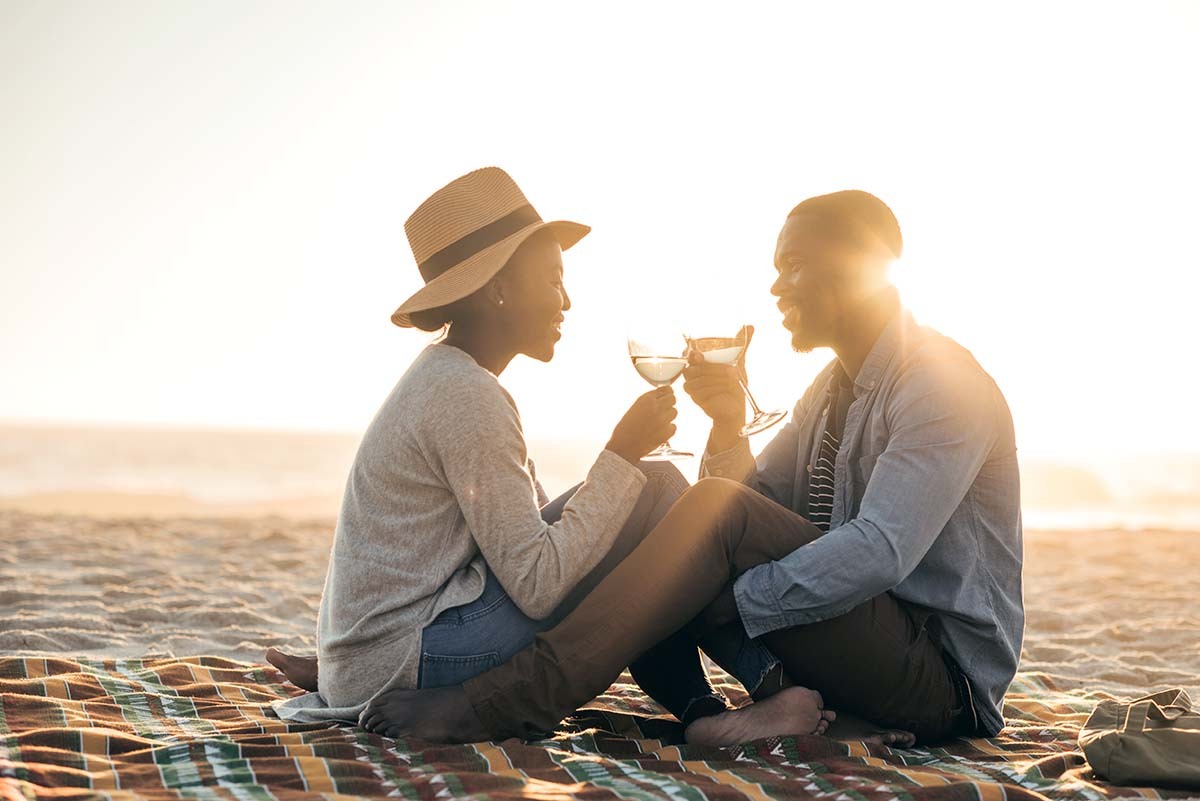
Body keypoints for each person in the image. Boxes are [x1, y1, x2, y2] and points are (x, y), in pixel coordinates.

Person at [355, 189, 1024, 747]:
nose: (774, 284)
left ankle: (498, 704)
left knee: (690, 531)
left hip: (941, 679)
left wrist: (721, 592)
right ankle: (720, 716)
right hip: (859, 646)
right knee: (674, 512)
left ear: (858, 269)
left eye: (792, 265)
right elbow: (757, 503)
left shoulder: (941, 382)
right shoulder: (832, 391)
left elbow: (880, 549)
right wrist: (729, 424)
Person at [268, 167, 834, 740]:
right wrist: (621, 455)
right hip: (411, 658)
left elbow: (544, 539)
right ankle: (773, 690)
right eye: (552, 280)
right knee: (660, 489)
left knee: (650, 503)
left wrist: (622, 477)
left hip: (390, 652)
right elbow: (540, 584)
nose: (567, 300)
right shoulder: (466, 395)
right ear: (499, 289)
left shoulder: (451, 380)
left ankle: (706, 712)